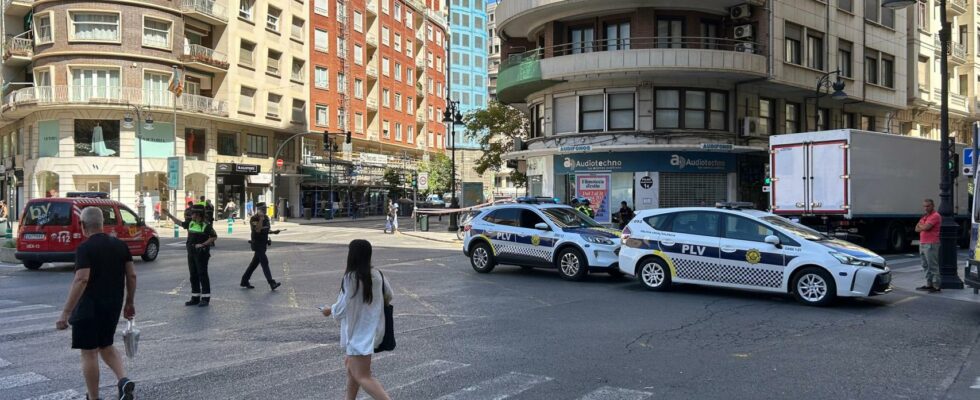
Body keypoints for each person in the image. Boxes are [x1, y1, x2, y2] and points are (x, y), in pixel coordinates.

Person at [55, 207, 137, 400]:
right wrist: (129, 302)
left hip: (88, 309)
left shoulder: (85, 248)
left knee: (89, 353)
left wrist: (65, 313)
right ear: (102, 224)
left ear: (83, 226)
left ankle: (93, 397)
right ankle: (123, 380)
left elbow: (81, 279)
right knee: (106, 346)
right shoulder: (120, 246)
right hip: (112, 306)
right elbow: (132, 275)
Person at [321, 240, 393, 400]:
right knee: (350, 368)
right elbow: (389, 295)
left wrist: (328, 310)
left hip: (359, 333)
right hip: (373, 330)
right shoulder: (377, 274)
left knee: (363, 376)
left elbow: (340, 309)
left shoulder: (351, 278)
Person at [162, 205, 218, 306]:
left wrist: (203, 244)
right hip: (191, 252)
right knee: (193, 275)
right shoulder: (191, 223)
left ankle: (205, 298)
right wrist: (169, 215)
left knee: (202, 274)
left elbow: (214, 237)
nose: (191, 215)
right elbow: (179, 223)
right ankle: (195, 297)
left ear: (198, 215)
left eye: (193, 214)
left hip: (201, 253)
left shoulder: (206, 225)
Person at [241, 202, 282, 290]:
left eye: (265, 209)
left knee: (254, 264)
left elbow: (266, 229)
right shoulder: (254, 218)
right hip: (257, 244)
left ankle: (244, 281)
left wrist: (274, 232)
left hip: (263, 244)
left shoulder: (266, 218)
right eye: (263, 209)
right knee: (264, 262)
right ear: (258, 210)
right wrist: (261, 219)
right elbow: (258, 230)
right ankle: (271, 283)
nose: (265, 210)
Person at [915, 198, 942, 293]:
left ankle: (936, 286)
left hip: (931, 243)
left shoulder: (935, 216)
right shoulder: (925, 217)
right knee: (925, 265)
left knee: (933, 265)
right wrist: (922, 226)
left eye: (928, 206)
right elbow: (916, 228)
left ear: (933, 206)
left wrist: (922, 226)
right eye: (924, 206)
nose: (926, 208)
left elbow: (926, 227)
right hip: (923, 243)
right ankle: (929, 284)